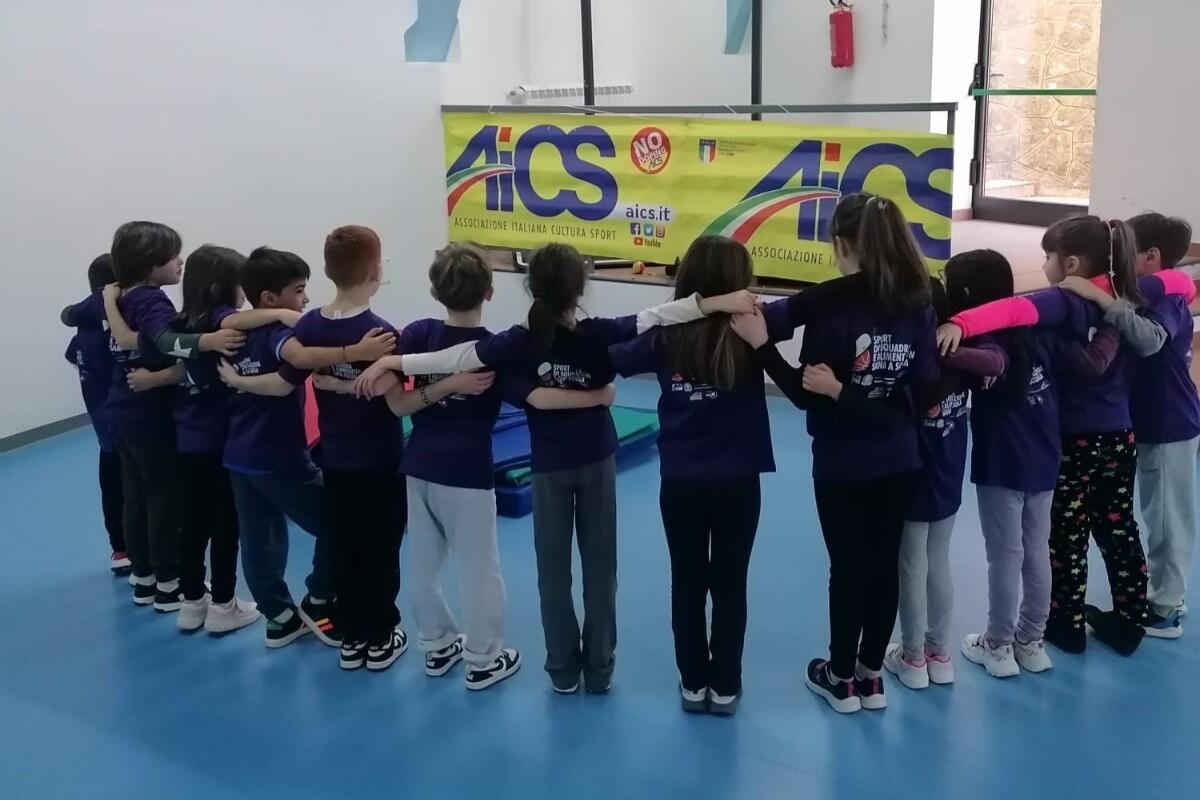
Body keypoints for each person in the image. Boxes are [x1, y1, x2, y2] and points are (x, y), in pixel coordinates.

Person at [354, 242, 755, 694]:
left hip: (548, 465)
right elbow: (658, 316)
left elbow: (462, 360)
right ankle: (598, 670)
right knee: (600, 572)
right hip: (595, 460)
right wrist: (715, 303)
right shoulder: (598, 334)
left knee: (552, 572)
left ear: (531, 287)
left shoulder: (517, 342)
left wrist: (392, 361)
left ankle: (562, 670)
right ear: (580, 289)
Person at [938, 216, 1194, 656]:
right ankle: (1132, 617)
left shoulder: (1064, 300)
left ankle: (1066, 624)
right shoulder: (1127, 295)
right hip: (1119, 435)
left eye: (1048, 257)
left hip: (1076, 439)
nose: (1044, 265)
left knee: (1066, 536)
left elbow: (1012, 310)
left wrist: (960, 323)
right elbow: (1177, 282)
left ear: (1071, 263)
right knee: (1119, 526)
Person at [732, 193, 936, 714]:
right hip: (900, 460)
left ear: (842, 244)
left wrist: (760, 346)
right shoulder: (919, 299)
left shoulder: (832, 306)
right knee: (883, 567)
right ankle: (870, 677)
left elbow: (806, 394)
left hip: (845, 464)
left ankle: (841, 676)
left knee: (848, 568)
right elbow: (918, 396)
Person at [932, 250, 1119, 680]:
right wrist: (1114, 322)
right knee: (1036, 551)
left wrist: (936, 348)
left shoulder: (981, 338)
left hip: (1002, 464)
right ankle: (1031, 641)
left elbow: (994, 362)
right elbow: (1092, 361)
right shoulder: (1042, 330)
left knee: (1005, 556)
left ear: (965, 293)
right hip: (1044, 458)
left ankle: (998, 644)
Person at [608, 236, 774, 716]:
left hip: (681, 481)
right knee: (730, 582)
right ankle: (725, 686)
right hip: (738, 481)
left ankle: (694, 682)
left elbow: (613, 353)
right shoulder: (753, 328)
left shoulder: (664, 335)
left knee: (686, 580)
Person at [215, 246, 395, 649]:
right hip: (276, 455)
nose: (306, 299)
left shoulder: (231, 332)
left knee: (258, 539)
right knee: (337, 522)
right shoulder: (281, 335)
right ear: (269, 298)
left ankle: (278, 617)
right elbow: (293, 369)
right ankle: (319, 599)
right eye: (298, 291)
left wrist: (239, 380)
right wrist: (358, 353)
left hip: (238, 455)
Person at [106, 245, 280, 634]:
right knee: (225, 525)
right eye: (240, 284)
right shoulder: (223, 328)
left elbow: (141, 342)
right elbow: (216, 353)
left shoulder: (179, 322)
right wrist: (286, 314)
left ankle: (191, 602)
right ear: (222, 287)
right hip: (221, 442)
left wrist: (156, 376)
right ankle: (223, 606)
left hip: (186, 440)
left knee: (192, 522)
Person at [1055, 213, 1197, 639]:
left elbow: (1149, 341)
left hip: (1168, 423)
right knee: (1154, 513)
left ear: (1151, 256)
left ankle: (1166, 607)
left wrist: (1097, 296)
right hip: (1145, 422)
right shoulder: (1161, 288)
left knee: (1167, 517)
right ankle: (1159, 596)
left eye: (1130, 252)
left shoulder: (1166, 295)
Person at [283, 226, 408, 671]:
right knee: (380, 547)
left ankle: (352, 634)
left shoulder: (310, 326)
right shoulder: (382, 334)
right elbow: (394, 396)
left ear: (326, 269)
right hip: (379, 460)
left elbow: (300, 370)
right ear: (376, 271)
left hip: (335, 460)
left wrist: (333, 382)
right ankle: (380, 633)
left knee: (346, 545)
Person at [103, 221, 241, 611]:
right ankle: (169, 583)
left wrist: (110, 303)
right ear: (150, 263)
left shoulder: (121, 295)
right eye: (172, 256)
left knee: (136, 496)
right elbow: (163, 342)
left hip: (122, 411)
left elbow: (114, 332)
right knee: (165, 497)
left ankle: (144, 576)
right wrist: (208, 340)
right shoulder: (151, 301)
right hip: (150, 416)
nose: (180, 262)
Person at [883, 278, 1005, 689]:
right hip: (948, 477)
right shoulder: (962, 359)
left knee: (911, 566)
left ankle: (913, 656)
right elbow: (995, 361)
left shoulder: (913, 364)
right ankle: (939, 652)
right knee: (938, 561)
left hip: (912, 479)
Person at [61, 254, 127, 575]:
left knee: (112, 487)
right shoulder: (116, 329)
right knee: (140, 488)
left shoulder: (82, 328)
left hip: (104, 428)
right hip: (130, 424)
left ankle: (121, 548)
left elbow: (73, 355)